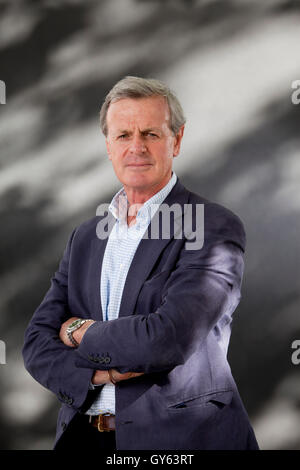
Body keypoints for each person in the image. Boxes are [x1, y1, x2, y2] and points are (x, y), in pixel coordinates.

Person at [22, 76, 259, 450]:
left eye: (150, 134)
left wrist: (79, 331)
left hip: (179, 441)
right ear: (108, 146)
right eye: (123, 135)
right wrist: (96, 377)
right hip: (83, 436)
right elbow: (36, 342)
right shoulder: (86, 236)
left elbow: (169, 337)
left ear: (176, 140)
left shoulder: (211, 226)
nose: (137, 147)